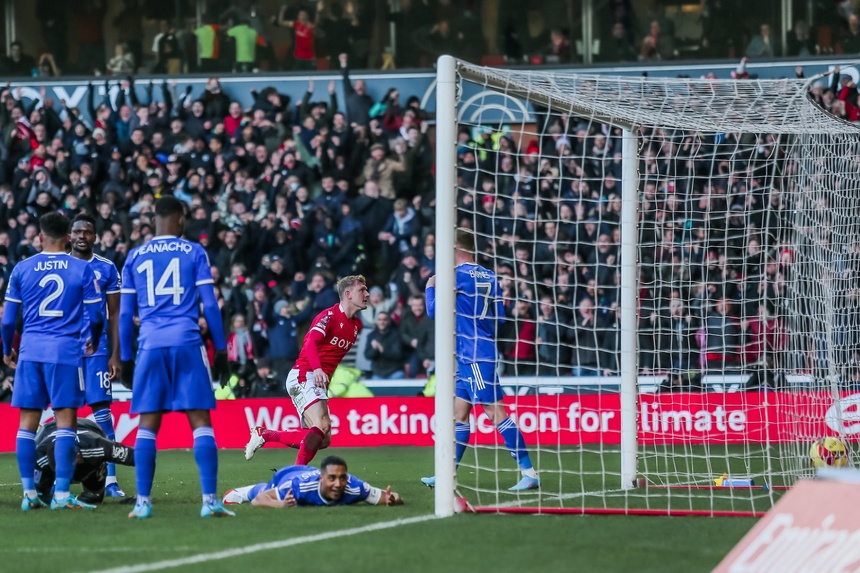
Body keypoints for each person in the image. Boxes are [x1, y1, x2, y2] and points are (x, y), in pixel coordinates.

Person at [119, 196, 232, 519]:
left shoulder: (134, 256)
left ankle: (142, 502)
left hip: (150, 344)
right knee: (200, 423)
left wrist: (127, 358)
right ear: (181, 220)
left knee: (147, 426)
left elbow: (126, 314)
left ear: (154, 219)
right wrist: (221, 350)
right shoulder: (194, 251)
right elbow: (210, 306)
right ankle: (210, 501)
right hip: (186, 342)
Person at [421, 229, 539, 491]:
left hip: (472, 354)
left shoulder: (456, 275)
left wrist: (430, 287)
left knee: (495, 413)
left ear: (454, 247)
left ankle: (529, 472)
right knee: (459, 414)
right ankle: (445, 475)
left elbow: (433, 312)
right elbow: (500, 317)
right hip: (479, 350)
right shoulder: (490, 276)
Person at [2, 211, 105, 510]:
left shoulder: (21, 268)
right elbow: (97, 315)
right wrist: (95, 340)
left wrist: (8, 348)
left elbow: (8, 320)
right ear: (69, 238)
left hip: (31, 352)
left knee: (26, 425)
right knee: (65, 424)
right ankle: (61, 494)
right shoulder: (82, 268)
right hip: (65, 352)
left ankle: (29, 494)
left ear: (40, 237)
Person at [243, 275, 369, 464]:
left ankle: (265, 434)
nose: (367, 294)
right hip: (305, 374)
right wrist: (317, 369)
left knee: (323, 439)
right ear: (348, 294)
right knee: (323, 425)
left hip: (318, 380)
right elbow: (310, 343)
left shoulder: (356, 325)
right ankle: (296, 475)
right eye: (362, 290)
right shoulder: (330, 316)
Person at [70, 213, 125, 498]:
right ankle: (52, 476)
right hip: (65, 348)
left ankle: (112, 480)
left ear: (95, 236)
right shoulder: (59, 265)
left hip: (97, 349)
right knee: (60, 412)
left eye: (87, 232)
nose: (82, 236)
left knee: (103, 414)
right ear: (70, 236)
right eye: (77, 231)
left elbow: (114, 314)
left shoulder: (107, 268)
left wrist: (115, 354)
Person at [223, 455, 403, 507]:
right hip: (289, 476)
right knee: (265, 491)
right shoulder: (298, 488)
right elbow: (258, 501)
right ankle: (240, 492)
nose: (338, 484)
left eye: (342, 478)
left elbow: (390, 496)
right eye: (332, 478)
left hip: (311, 472)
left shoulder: (355, 487)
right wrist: (281, 505)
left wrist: (392, 499)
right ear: (322, 478)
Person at [35, 417, 135, 505]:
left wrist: (142, 496)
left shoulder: (98, 447)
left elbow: (135, 456)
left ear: (78, 457)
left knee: (94, 497)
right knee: (41, 494)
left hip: (90, 428)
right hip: (49, 429)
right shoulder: (40, 457)